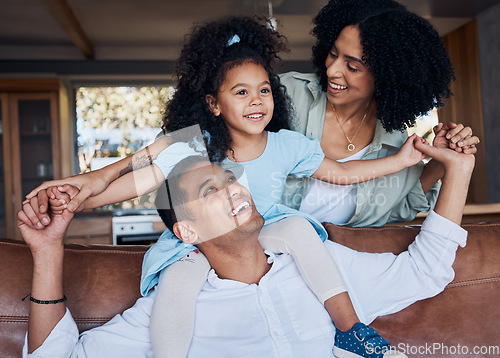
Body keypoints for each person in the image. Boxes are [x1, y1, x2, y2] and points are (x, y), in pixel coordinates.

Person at [22, 16, 429, 358]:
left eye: (264, 90)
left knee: (302, 231)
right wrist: (77, 199)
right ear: (214, 105)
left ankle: (350, 330)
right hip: (197, 242)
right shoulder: (196, 146)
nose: (256, 101)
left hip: (263, 231)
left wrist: (401, 160)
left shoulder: (288, 145)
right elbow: (137, 178)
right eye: (241, 92)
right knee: (179, 283)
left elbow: (340, 173)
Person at [18, 136, 475, 357]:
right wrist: (48, 251)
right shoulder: (172, 307)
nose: (234, 190)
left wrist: (458, 169)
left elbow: (427, 270)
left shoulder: (323, 266)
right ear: (187, 233)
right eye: (210, 192)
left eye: (230, 180)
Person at [279, 0, 480, 226]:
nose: (332, 70)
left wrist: (440, 159)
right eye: (333, 54)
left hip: (338, 254)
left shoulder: (395, 142)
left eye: (352, 67)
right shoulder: (283, 96)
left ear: (387, 77)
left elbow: (400, 208)